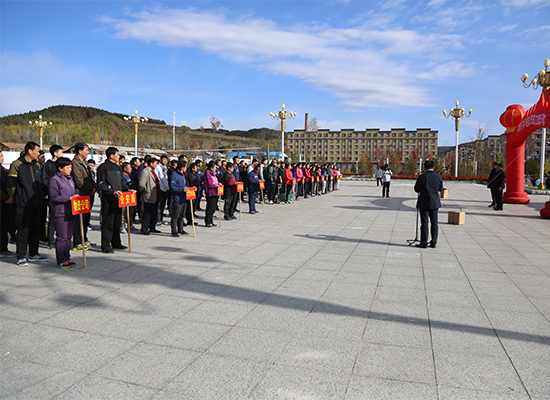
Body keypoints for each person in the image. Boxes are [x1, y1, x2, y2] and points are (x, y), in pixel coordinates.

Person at [6, 142, 49, 266]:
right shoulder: (17, 165)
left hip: (37, 203)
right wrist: (13, 197)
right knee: (23, 230)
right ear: (30, 151)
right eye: (37, 151)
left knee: (35, 230)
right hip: (23, 204)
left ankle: (33, 254)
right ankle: (21, 256)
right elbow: (11, 184)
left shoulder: (37, 165)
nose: (39, 153)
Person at [97, 147, 129, 252]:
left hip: (119, 199)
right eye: (117, 155)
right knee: (108, 223)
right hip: (108, 199)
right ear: (111, 156)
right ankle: (106, 245)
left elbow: (122, 183)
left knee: (117, 222)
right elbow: (101, 184)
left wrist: (128, 189)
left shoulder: (118, 168)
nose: (119, 157)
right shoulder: (103, 167)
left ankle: (116, 242)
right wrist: (112, 192)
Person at [49, 157, 77, 268]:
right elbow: (54, 196)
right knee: (62, 237)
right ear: (60, 168)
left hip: (71, 211)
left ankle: (67, 257)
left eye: (70, 167)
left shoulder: (70, 179)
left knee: (69, 237)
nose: (70, 169)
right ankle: (61, 260)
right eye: (67, 167)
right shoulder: (54, 180)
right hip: (60, 212)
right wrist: (68, 198)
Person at [71, 143, 97, 250]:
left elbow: (91, 177)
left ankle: (84, 239)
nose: (88, 152)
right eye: (86, 150)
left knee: (86, 219)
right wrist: (90, 190)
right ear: (79, 151)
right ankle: (77, 241)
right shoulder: (75, 163)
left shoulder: (84, 162)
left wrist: (94, 187)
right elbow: (79, 181)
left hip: (88, 195)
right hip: (80, 194)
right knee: (79, 220)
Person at [414, 160, 443, 248]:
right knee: (434, 223)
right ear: (433, 167)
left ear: (424, 168)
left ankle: (424, 242)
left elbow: (416, 189)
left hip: (424, 202)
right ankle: (434, 242)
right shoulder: (438, 176)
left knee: (424, 223)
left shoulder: (422, 177)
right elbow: (440, 189)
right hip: (434, 202)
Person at [41, 144, 64, 248]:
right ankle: (50, 240)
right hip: (53, 195)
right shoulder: (48, 165)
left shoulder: (62, 164)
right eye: (61, 152)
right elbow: (44, 179)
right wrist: (53, 187)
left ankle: (60, 238)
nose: (62, 154)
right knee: (53, 218)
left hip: (63, 195)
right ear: (55, 153)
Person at [139, 157, 161, 235]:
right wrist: (146, 191)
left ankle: (152, 227)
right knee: (147, 213)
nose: (156, 165)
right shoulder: (145, 172)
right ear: (151, 163)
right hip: (148, 195)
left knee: (154, 212)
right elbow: (141, 184)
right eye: (155, 163)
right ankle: (144, 228)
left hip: (155, 195)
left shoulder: (153, 172)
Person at [0, 151, 15, 257]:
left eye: (2, 156)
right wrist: (6, 197)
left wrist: (11, 196)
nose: (2, 158)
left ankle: (3, 248)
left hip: (5, 202)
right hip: (3, 200)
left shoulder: (4, 171)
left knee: (4, 225)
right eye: (0, 156)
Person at [169, 160, 189, 236]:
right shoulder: (174, 175)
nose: (186, 168)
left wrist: (190, 188)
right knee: (175, 216)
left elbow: (184, 185)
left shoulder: (183, 175)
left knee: (182, 215)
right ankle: (174, 230)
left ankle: (180, 229)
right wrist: (181, 189)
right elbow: (172, 187)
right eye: (185, 167)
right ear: (181, 168)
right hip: (177, 198)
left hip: (183, 198)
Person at [155, 155, 170, 225]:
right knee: (159, 205)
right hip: (160, 187)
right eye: (164, 159)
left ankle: (161, 219)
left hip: (165, 188)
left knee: (163, 205)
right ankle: (157, 219)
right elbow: (160, 177)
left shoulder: (165, 168)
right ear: (160, 160)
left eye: (166, 160)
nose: (165, 161)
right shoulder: (158, 167)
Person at [204, 160, 219, 227]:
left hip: (215, 192)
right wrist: (216, 185)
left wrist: (218, 184)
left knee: (213, 208)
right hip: (210, 193)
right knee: (210, 208)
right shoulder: (208, 174)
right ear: (211, 168)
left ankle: (211, 221)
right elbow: (210, 184)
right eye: (214, 167)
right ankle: (207, 221)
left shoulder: (214, 174)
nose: (215, 168)